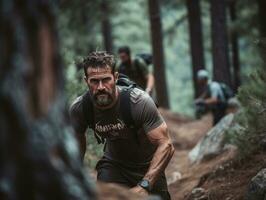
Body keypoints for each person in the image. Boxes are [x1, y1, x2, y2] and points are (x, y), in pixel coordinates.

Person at [69, 51, 174, 199]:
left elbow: (166, 144)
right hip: (113, 165)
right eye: (94, 81)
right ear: (86, 81)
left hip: (147, 166)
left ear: (116, 78)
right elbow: (76, 143)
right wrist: (74, 178)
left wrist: (145, 184)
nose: (100, 87)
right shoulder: (80, 108)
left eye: (106, 79)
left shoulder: (138, 102)